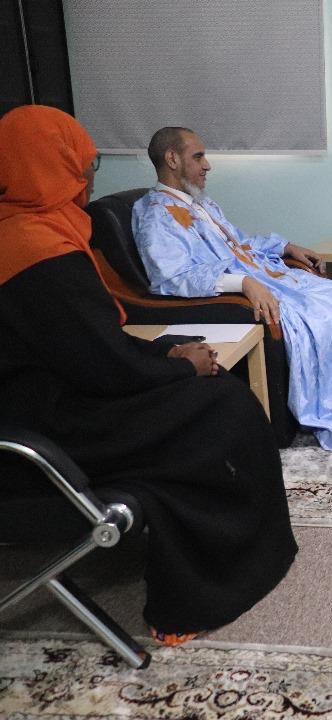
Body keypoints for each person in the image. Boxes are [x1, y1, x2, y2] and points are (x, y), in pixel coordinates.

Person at [0, 105, 297, 645]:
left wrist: (166, 354)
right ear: (48, 165)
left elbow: (88, 345)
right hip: (47, 426)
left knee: (214, 395)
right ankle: (200, 592)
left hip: (58, 394)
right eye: (82, 162)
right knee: (220, 407)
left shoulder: (32, 230)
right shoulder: (35, 250)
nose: (89, 175)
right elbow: (99, 363)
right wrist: (179, 365)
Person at [132, 127, 332, 451]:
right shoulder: (156, 215)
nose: (207, 165)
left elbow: (240, 242)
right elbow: (171, 277)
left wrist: (286, 246)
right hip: (239, 291)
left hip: (265, 275)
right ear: (172, 159)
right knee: (325, 320)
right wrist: (243, 282)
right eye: (198, 157)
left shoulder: (201, 204)